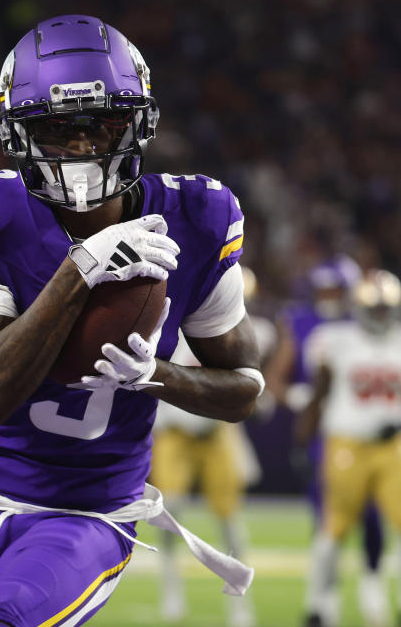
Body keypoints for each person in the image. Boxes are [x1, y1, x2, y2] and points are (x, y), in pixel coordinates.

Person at [0, 15, 262, 626]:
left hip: (90, 512)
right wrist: (80, 270)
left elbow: (244, 389)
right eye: (57, 127)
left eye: (104, 123)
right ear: (17, 133)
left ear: (140, 122)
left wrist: (158, 375)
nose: (83, 145)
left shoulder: (199, 216)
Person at [265, 256, 387, 621]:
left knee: (374, 513)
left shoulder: (365, 323)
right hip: (326, 434)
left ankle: (372, 581)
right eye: (324, 289)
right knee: (328, 518)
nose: (329, 295)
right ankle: (325, 599)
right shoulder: (301, 324)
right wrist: (299, 399)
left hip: (369, 433)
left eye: (336, 288)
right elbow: (276, 380)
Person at [295, 269, 401, 627]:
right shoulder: (334, 339)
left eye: (387, 308)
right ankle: (317, 604)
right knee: (334, 527)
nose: (381, 314)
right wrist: (304, 438)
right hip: (347, 444)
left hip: (394, 447)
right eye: (376, 307)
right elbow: (319, 394)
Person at [149, 330, 259, 627]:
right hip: (174, 433)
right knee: (167, 513)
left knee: (229, 518)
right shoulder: (166, 326)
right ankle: (171, 587)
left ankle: (240, 599)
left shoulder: (222, 327)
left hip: (216, 432)